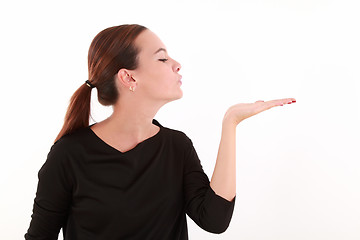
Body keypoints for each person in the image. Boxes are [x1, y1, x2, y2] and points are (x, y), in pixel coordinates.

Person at [25, 24, 296, 240]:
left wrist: (231, 122)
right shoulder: (69, 154)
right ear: (129, 77)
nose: (177, 64)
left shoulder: (177, 146)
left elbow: (214, 220)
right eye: (162, 58)